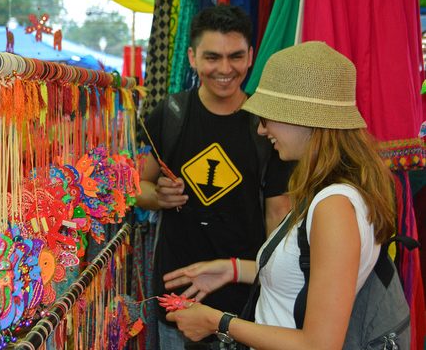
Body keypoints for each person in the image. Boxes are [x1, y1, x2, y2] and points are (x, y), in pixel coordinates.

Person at [163, 41, 398, 349]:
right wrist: (232, 269)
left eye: (267, 117)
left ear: (304, 120)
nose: (261, 130)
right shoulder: (329, 191)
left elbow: (320, 343)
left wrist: (218, 322)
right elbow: (303, 272)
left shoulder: (334, 206)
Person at [137, 5, 293, 348]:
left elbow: (278, 214)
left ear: (251, 56)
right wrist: (157, 196)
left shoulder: (267, 125)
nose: (225, 69)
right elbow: (138, 186)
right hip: (177, 299)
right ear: (192, 57)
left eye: (235, 56)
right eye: (212, 57)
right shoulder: (172, 113)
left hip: (245, 305)